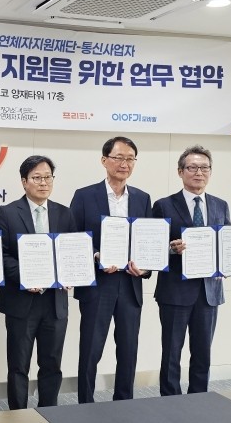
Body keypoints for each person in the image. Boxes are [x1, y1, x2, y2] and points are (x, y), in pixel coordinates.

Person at [70, 136, 151, 403]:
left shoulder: (142, 198)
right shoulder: (84, 196)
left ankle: (123, 403)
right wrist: (96, 255)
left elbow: (148, 241)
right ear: (104, 160)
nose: (124, 164)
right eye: (118, 158)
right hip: (98, 285)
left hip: (130, 284)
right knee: (90, 350)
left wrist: (144, 268)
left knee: (128, 350)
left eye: (130, 159)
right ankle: (85, 404)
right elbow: (74, 238)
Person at [0, 155, 77, 409]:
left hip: (55, 303)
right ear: (24, 181)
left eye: (48, 177)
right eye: (37, 178)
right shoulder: (8, 213)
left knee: (52, 364)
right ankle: (18, 415)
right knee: (18, 366)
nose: (43, 183)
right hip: (22, 302)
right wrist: (25, 276)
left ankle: (49, 412)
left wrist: (72, 273)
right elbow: (0, 254)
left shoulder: (64, 213)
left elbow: (73, 252)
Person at [152, 145, 230, 396]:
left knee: (203, 353)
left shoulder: (220, 205)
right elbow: (151, 247)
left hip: (209, 292)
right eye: (193, 167)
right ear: (180, 171)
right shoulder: (163, 205)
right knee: (171, 353)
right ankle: (170, 402)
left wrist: (228, 263)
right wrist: (171, 249)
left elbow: (226, 243)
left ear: (211, 172)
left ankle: (199, 399)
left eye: (204, 168)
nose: (199, 173)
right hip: (175, 291)